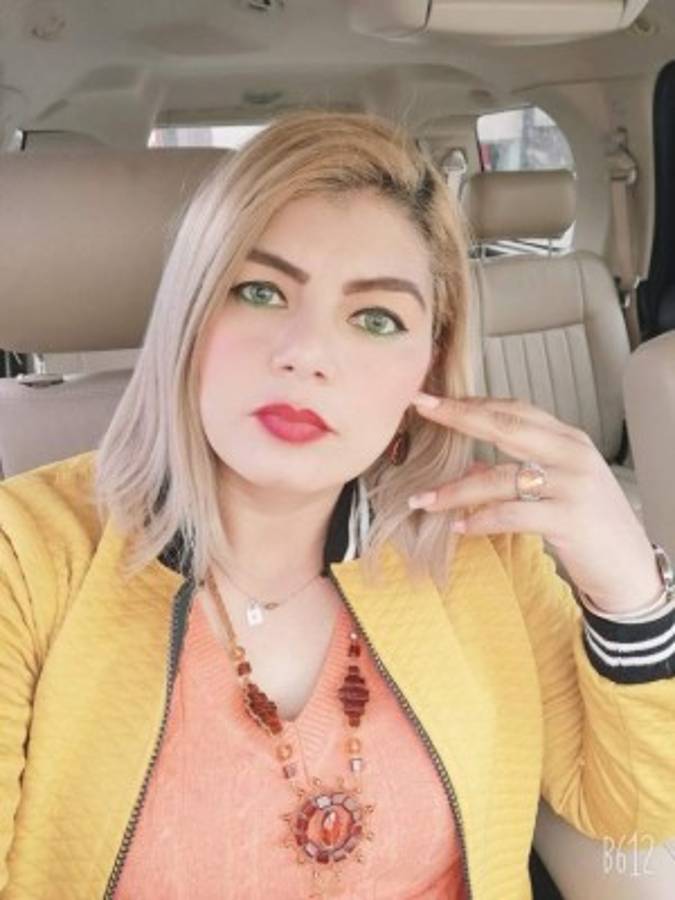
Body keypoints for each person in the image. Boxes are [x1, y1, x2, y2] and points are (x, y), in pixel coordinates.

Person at [1, 109, 674, 900]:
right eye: (259, 291)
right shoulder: (26, 556)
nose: (306, 354)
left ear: (428, 365)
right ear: (191, 311)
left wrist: (629, 594)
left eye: (375, 319)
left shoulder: (483, 552)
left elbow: (631, 817)